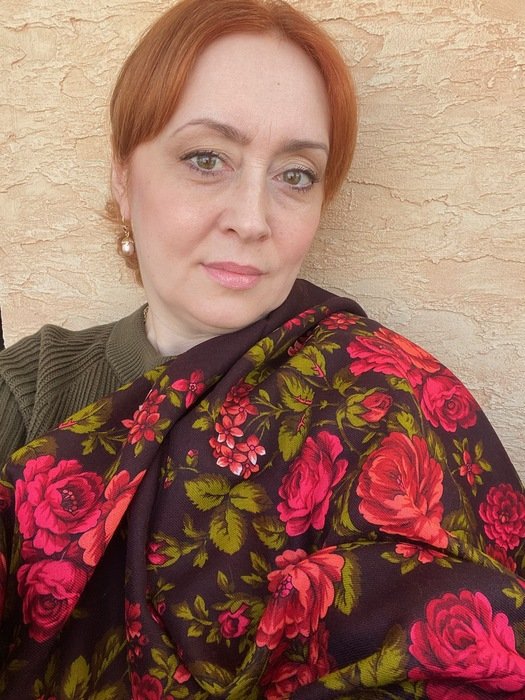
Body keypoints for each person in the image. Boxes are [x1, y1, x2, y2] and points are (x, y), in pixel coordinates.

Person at [0, 0, 524, 697]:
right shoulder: (29, 390)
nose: (252, 219)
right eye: (205, 159)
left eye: (295, 174)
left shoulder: (387, 399)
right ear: (123, 179)